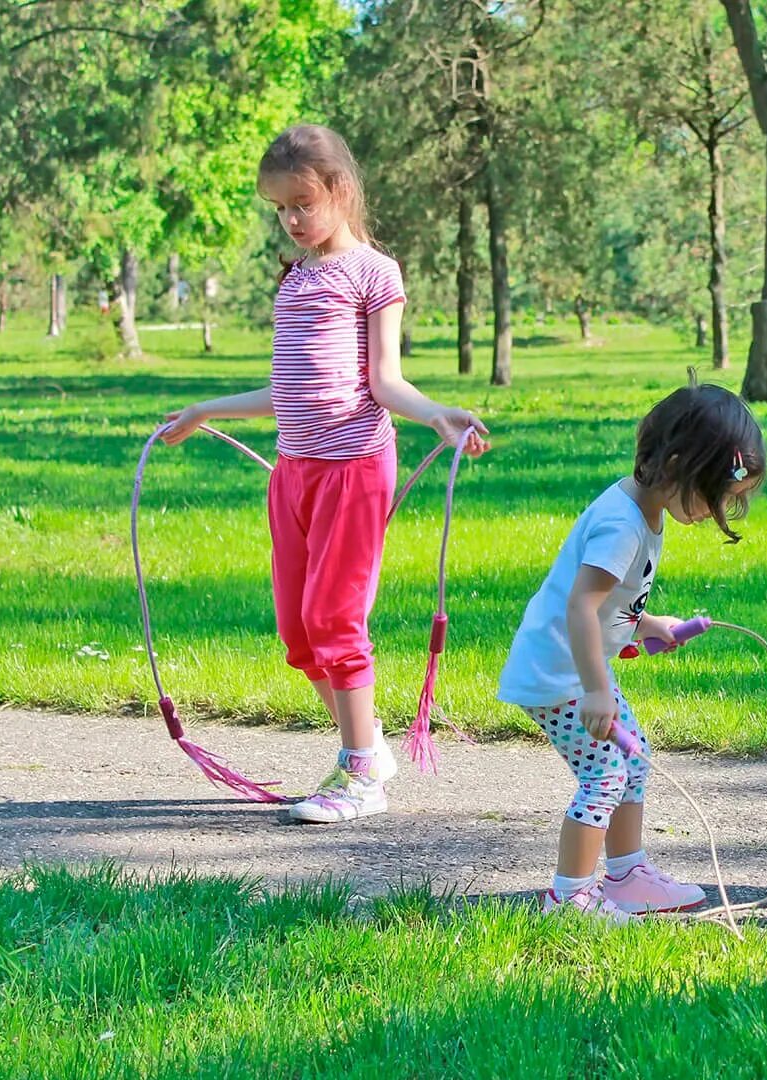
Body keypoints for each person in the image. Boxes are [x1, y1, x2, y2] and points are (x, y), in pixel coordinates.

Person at [163, 125, 488, 824]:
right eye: (280, 209)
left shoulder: (375, 273)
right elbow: (287, 390)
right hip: (295, 472)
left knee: (334, 618)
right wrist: (203, 411)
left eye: (302, 203)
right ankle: (364, 745)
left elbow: (385, 380)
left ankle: (362, 775)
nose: (291, 220)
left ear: (340, 190)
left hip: (354, 469)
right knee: (298, 631)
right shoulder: (296, 280)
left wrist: (437, 415)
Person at [497, 383, 766, 922]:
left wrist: (649, 623)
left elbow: (609, 602)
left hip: (579, 665)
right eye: (718, 496)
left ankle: (626, 875)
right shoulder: (622, 526)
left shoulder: (644, 509)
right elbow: (579, 608)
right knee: (604, 775)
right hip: (561, 672)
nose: (721, 510)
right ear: (675, 466)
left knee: (632, 758)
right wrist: (597, 689)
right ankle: (569, 897)